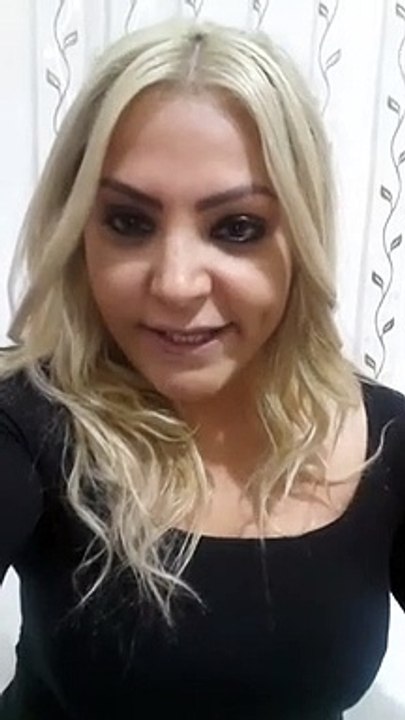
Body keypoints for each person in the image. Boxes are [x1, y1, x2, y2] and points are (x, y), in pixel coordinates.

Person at [0, 16, 404, 720]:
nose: (176, 283)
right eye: (129, 222)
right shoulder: (28, 420)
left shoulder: (387, 440)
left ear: (301, 237)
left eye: (236, 228)